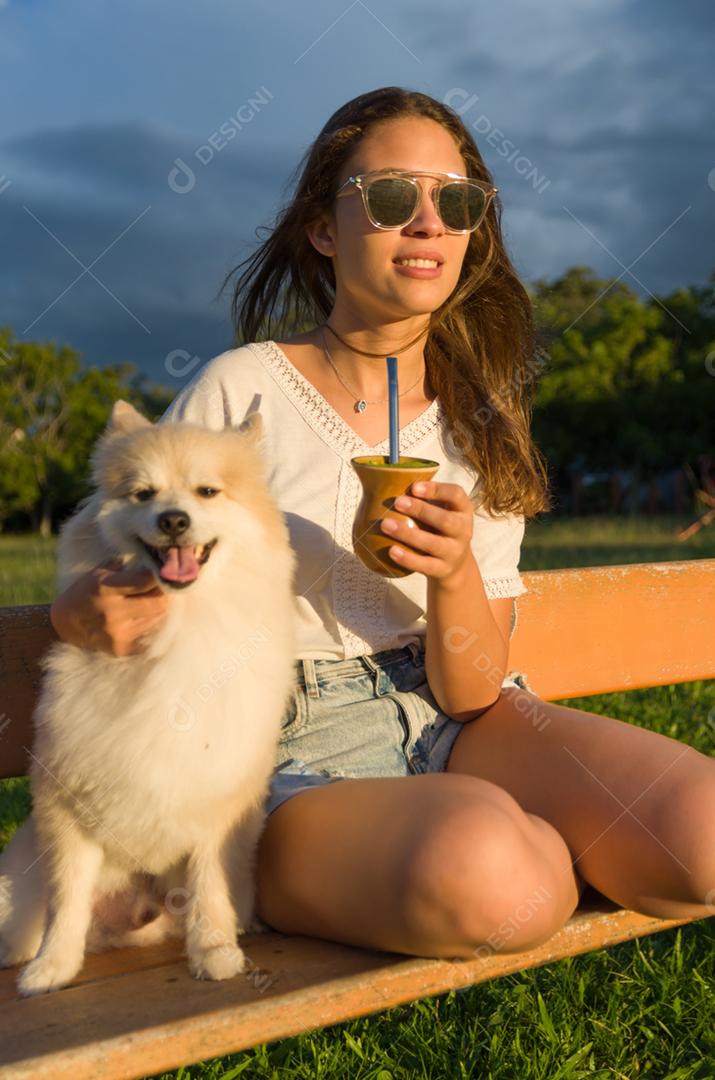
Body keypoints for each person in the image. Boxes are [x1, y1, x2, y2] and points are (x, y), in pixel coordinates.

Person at [50, 87, 715, 960]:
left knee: (700, 836)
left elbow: (472, 692)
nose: (428, 222)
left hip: (454, 720)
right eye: (392, 196)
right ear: (323, 229)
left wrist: (454, 573)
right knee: (498, 876)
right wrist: (82, 611)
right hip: (275, 742)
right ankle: (500, 853)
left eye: (457, 201)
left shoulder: (483, 418)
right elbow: (102, 567)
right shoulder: (240, 391)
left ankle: (502, 846)